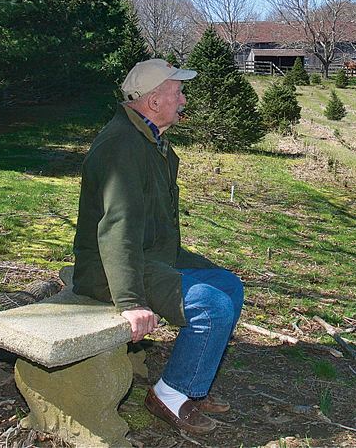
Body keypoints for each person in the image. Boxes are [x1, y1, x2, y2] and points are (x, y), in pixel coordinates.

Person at [73, 59, 243, 435]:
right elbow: (117, 229)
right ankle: (168, 394)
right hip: (110, 269)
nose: (184, 99)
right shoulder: (121, 146)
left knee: (228, 285)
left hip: (149, 257)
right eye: (178, 92)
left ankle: (192, 389)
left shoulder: (149, 141)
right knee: (211, 306)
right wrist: (131, 301)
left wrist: (193, 265)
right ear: (153, 101)